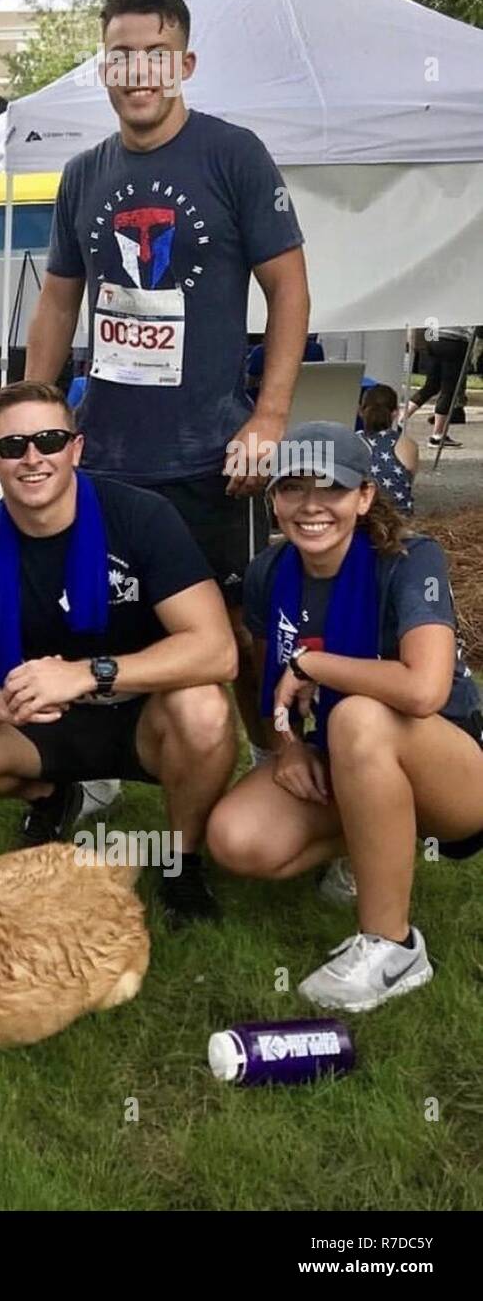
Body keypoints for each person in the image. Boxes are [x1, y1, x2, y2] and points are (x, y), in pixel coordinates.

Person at [26, 0, 310, 791]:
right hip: (106, 457)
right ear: (103, 68)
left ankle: (279, 771)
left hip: (213, 458)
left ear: (183, 62)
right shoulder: (83, 173)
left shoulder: (234, 154)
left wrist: (270, 415)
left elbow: (288, 289)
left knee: (246, 633)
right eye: (123, 55)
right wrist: (28, 411)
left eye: (156, 54)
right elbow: (57, 300)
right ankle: (92, 777)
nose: (139, 71)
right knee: (87, 618)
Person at [0, 381, 239, 927]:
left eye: (48, 440)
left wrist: (89, 674)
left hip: (144, 713)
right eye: (11, 447)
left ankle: (182, 861)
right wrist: (3, 704)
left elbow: (217, 650)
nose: (32, 458)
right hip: (45, 724)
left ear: (76, 448)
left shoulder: (142, 517)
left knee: (206, 710)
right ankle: (55, 794)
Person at [206, 422, 483, 1009]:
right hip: (346, 756)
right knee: (237, 840)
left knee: (357, 715)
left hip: (453, 770)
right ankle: (371, 847)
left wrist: (316, 667)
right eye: (292, 487)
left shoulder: (410, 558)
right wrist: (288, 749)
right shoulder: (268, 573)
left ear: (363, 496)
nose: (311, 506)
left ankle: (394, 946)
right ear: (273, 497)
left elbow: (424, 690)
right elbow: (266, 689)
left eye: (331, 488)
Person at [405, 325, 474, 449]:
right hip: (455, 340)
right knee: (449, 390)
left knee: (431, 385)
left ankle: (401, 419)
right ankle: (438, 435)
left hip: (433, 337)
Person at [358, 383, 416, 515]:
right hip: (398, 518)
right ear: (395, 413)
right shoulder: (407, 445)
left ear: (360, 411)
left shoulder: (351, 442)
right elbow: (407, 483)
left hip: (363, 517)